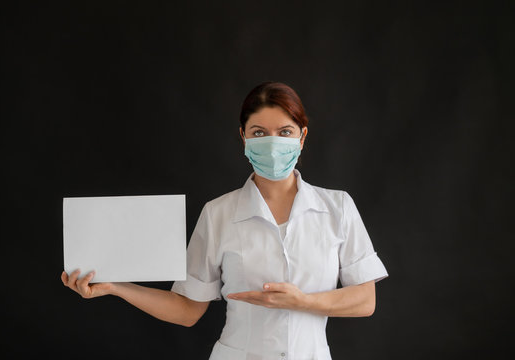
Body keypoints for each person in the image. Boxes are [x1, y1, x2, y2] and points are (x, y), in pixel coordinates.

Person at [61, 81, 389, 360]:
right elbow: (188, 310)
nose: (273, 143)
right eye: (259, 133)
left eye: (284, 132)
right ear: (244, 138)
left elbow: (364, 300)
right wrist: (116, 287)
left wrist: (302, 301)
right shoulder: (218, 213)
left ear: (301, 137)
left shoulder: (338, 207)